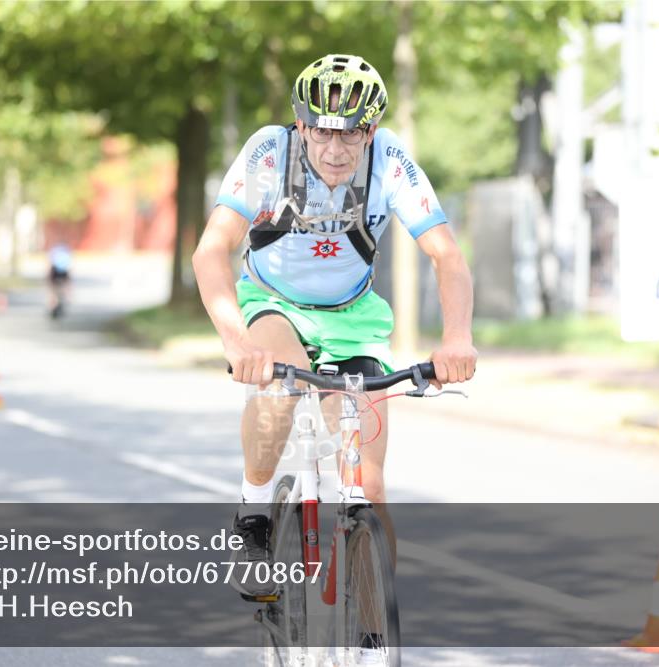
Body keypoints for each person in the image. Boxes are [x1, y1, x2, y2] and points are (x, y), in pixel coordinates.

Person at [192, 52, 477, 636]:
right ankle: (254, 517)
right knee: (280, 379)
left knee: (368, 485)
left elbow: (446, 254)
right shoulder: (269, 154)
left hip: (353, 317)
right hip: (276, 305)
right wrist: (236, 341)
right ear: (302, 125)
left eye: (352, 133)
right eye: (322, 130)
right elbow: (210, 250)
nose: (336, 148)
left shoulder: (390, 161)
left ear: (371, 130)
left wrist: (457, 338)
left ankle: (373, 633)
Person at [47, 243, 72, 318]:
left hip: (54, 273)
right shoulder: (65, 252)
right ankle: (59, 302)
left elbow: (50, 265)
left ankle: (53, 305)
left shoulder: (54, 252)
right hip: (63, 273)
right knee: (62, 288)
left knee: (53, 292)